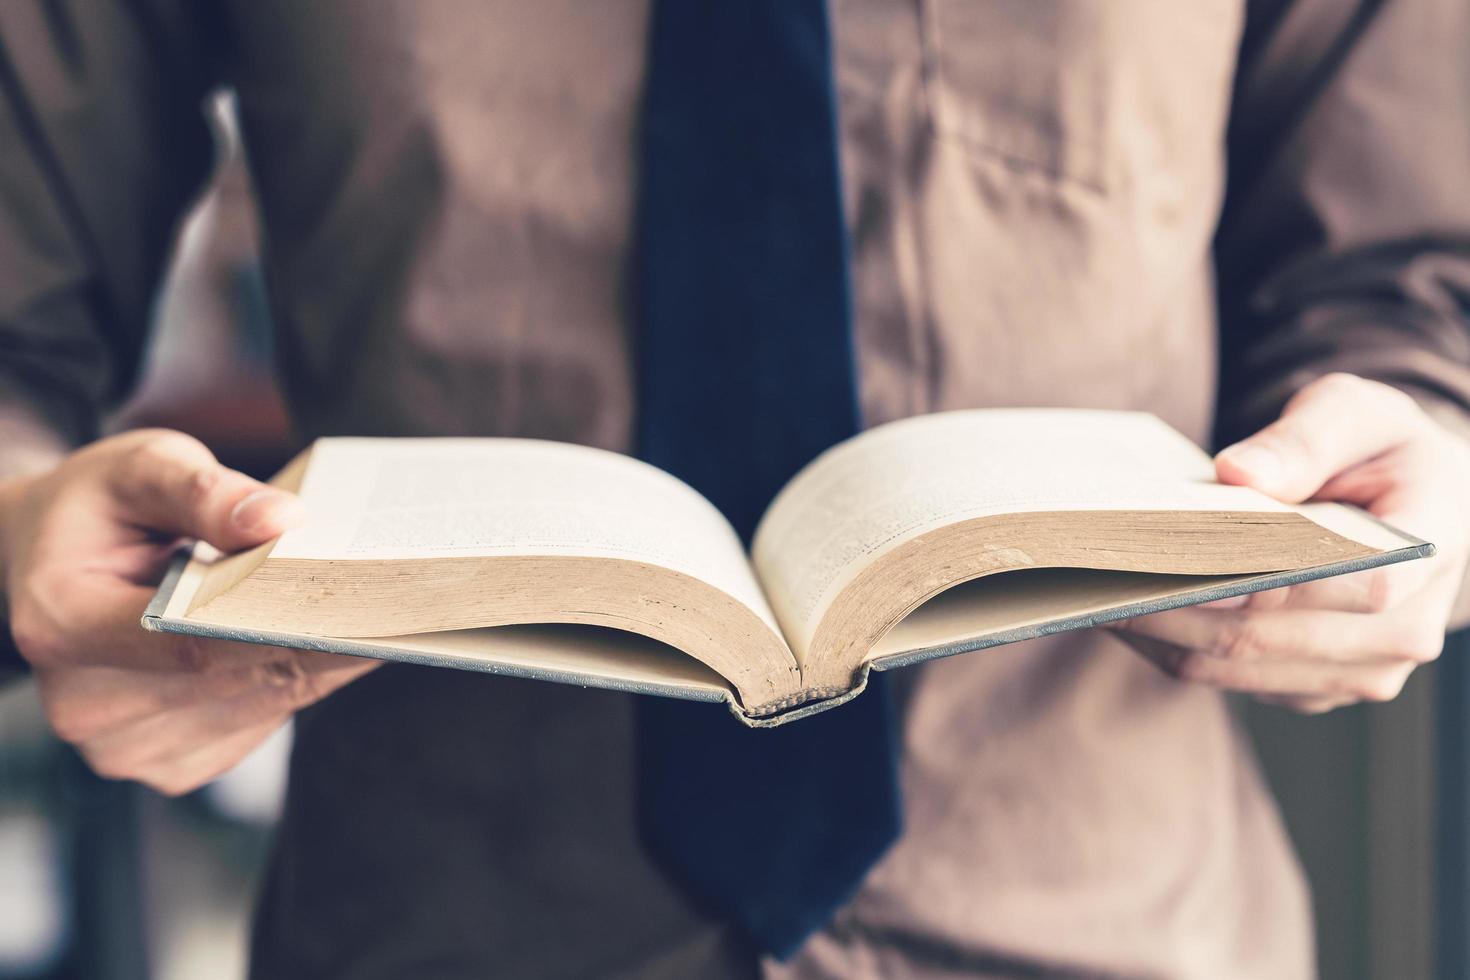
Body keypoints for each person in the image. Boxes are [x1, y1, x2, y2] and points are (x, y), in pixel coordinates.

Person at [1, 1, 1468, 977]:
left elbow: (1413, 268)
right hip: (441, 913)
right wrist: (21, 527)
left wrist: (1418, 458)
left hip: (1113, 908)